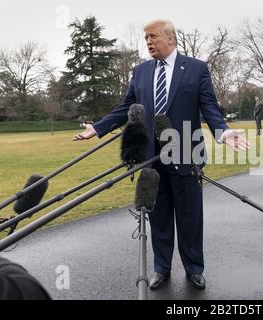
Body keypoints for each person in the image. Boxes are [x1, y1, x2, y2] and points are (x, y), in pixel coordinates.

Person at [73, 20, 249, 290]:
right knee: (159, 217)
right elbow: (125, 107)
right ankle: (161, 269)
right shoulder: (141, 71)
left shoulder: (196, 69)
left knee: (190, 216)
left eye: (153, 37)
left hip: (186, 154)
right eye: (146, 39)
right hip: (151, 158)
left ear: (171, 39)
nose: (149, 43)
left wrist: (224, 133)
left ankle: (194, 270)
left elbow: (209, 107)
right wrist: (97, 128)